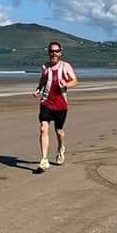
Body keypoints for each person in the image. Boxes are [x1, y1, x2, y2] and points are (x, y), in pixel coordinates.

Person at [33, 41, 79, 171]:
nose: (54, 53)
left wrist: (65, 84)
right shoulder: (45, 67)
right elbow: (42, 81)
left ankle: (61, 148)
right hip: (46, 102)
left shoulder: (66, 66)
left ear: (60, 52)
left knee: (59, 131)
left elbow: (75, 81)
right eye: (51, 51)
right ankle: (44, 159)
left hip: (61, 105)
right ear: (48, 52)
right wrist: (38, 89)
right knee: (43, 128)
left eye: (56, 51)